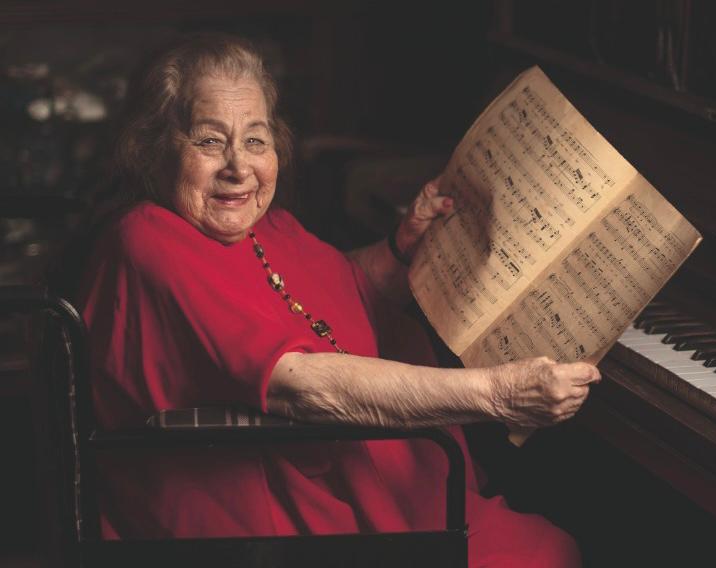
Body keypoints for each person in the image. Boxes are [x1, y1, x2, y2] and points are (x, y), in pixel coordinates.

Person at [77, 33, 601, 567]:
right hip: (258, 526)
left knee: (549, 545)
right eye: (209, 141)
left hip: (349, 483)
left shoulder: (270, 226)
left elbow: (333, 292)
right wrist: (496, 395)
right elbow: (301, 386)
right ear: (158, 147)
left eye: (256, 141)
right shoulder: (147, 238)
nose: (238, 166)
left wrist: (402, 248)